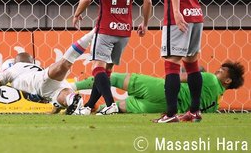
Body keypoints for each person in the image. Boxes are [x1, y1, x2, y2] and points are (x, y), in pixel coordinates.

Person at [72, 0, 152, 115]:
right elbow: (147, 1)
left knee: (97, 68)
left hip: (106, 27)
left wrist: (77, 14)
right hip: (124, 31)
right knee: (106, 70)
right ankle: (88, 106)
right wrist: (145, 23)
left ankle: (109, 105)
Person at [0, 29, 96, 115]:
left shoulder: (11, 70)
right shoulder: (34, 68)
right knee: (65, 72)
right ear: (31, 62)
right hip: (50, 83)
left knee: (65, 64)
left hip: (39, 84)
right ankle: (75, 102)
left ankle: (75, 103)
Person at [72, 61, 245, 118]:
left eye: (221, 72)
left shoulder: (210, 79)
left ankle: (71, 86)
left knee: (111, 77)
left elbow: (176, 78)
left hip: (160, 90)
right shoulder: (215, 104)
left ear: (227, 80)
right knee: (114, 108)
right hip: (163, 108)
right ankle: (88, 108)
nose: (217, 71)